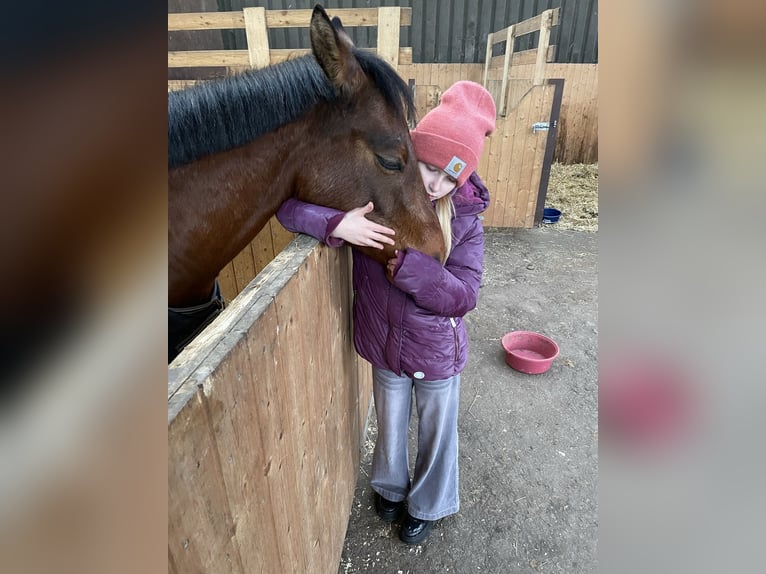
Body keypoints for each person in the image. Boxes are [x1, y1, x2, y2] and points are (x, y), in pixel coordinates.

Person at [276, 81, 496, 544]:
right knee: (390, 423)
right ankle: (391, 489)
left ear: (461, 180)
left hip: (435, 352)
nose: (433, 184)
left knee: (437, 433)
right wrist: (340, 224)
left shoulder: (466, 223)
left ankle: (429, 503)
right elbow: (289, 210)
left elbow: (464, 295)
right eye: (428, 166)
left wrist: (413, 269)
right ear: (410, 153)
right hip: (383, 343)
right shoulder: (379, 197)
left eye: (447, 177)